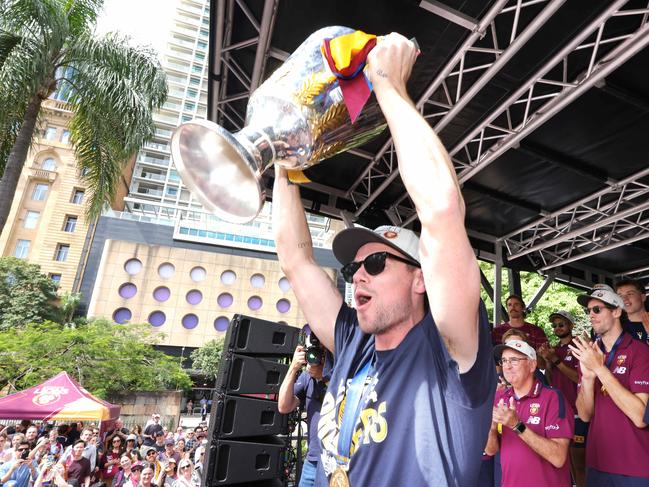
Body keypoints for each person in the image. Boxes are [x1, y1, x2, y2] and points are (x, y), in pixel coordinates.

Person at [271, 33, 496, 486]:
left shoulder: (449, 350)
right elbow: (295, 259)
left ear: (420, 280)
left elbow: (442, 209)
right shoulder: (353, 340)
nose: (358, 277)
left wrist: (389, 86)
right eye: (354, 268)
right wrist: (283, 161)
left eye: (376, 265)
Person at [570, 284, 649, 484]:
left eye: (597, 309)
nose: (591, 315)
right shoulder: (590, 354)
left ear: (616, 311)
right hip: (597, 464)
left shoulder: (640, 351)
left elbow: (640, 417)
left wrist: (600, 370)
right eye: (588, 311)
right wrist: (587, 378)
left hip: (635, 466)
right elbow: (585, 415)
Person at [486, 340, 573, 486]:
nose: (507, 366)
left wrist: (517, 425)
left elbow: (558, 458)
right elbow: (490, 450)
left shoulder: (553, 398)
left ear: (532, 365)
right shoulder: (500, 398)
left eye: (514, 360)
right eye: (504, 360)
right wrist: (492, 429)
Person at [538, 310, 586, 487]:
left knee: (580, 462)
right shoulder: (554, 349)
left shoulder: (579, 345)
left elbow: (578, 377)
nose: (557, 328)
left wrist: (556, 360)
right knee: (565, 461)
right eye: (555, 325)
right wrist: (549, 362)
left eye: (561, 324)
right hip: (560, 410)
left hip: (579, 410)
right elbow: (552, 381)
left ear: (571, 326)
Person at [278, 339, 329, 487]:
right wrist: (293, 368)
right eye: (317, 350)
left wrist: (324, 377)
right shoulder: (308, 377)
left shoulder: (342, 372)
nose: (319, 355)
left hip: (335, 461)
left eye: (323, 351)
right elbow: (284, 406)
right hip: (312, 461)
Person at [615, 278, 649, 344]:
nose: (624, 299)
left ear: (643, 297)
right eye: (620, 296)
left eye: (630, 294)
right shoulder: (617, 326)